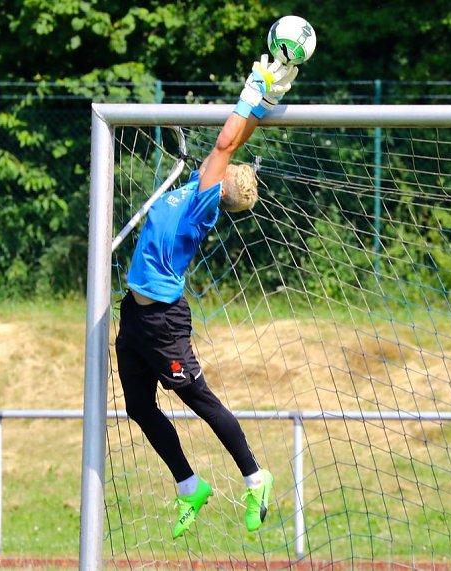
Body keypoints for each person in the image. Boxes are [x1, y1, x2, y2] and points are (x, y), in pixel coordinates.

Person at [115, 55, 299, 539]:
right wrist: (266, 102)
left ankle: (256, 478)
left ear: (222, 188)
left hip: (163, 326)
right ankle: (189, 485)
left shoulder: (201, 205)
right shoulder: (202, 186)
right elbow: (234, 140)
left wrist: (252, 87)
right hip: (134, 317)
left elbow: (224, 141)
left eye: (225, 168)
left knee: (199, 399)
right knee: (138, 406)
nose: (225, 158)